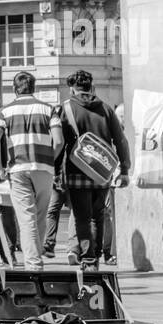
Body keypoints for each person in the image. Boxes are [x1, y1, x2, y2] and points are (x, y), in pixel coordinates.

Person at [54, 70, 130, 269]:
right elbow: (121, 140)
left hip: (76, 170)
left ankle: (87, 257)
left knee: (82, 218)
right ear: (91, 87)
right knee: (98, 216)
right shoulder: (105, 108)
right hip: (101, 172)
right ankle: (95, 258)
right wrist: (124, 169)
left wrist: (55, 172)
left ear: (71, 88)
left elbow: (59, 143)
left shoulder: (65, 108)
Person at [0, 72, 63, 271]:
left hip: (18, 168)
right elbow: (58, 141)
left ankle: (34, 264)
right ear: (34, 87)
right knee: (39, 216)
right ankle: (34, 258)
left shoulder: (4, 111)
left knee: (26, 217)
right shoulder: (49, 109)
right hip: (44, 169)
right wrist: (49, 159)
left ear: (15, 88)